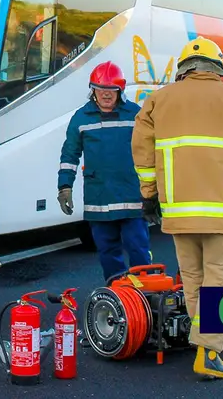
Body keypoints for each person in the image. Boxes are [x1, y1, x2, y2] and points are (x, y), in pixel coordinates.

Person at [131, 36, 223, 380]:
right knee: (220, 281)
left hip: (178, 214)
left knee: (193, 279)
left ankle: (202, 343)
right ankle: (209, 354)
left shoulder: (156, 102)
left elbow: (143, 155)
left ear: (182, 69)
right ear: (217, 68)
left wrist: (149, 196)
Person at [56, 60, 152, 281]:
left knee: (139, 252)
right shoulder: (80, 118)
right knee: (108, 254)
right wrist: (64, 187)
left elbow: (150, 152)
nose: (106, 95)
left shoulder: (135, 115)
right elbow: (69, 155)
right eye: (101, 90)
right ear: (93, 90)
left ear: (120, 90)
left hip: (131, 200)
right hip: (98, 200)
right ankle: (118, 299)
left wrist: (153, 192)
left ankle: (147, 298)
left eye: (112, 90)